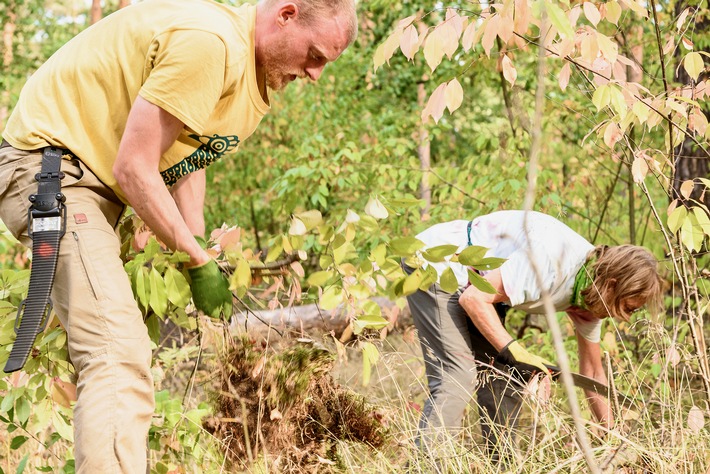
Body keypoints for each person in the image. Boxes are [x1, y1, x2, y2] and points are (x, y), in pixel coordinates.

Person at [0, 0, 357, 471]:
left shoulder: (255, 78)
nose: (315, 74)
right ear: (286, 14)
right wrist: (194, 258)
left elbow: (186, 158)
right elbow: (134, 167)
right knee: (115, 351)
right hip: (52, 174)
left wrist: (199, 243)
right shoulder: (210, 44)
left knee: (107, 346)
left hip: (95, 186)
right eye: (314, 55)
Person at [403, 210, 663, 458]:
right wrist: (516, 351)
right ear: (612, 285)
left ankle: (503, 465)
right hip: (438, 263)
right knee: (457, 375)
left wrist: (614, 438)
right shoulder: (552, 261)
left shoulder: (592, 298)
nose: (624, 317)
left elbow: (593, 373)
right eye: (627, 308)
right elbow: (473, 299)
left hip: (476, 284)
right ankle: (426, 464)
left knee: (503, 376)